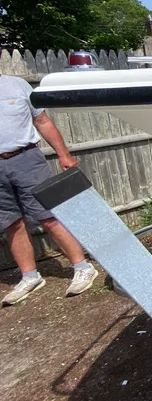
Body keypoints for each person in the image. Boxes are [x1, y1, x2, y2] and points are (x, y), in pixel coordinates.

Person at [1, 73, 98, 305]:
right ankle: (29, 276)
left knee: (48, 216)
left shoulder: (17, 85)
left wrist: (63, 155)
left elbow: (42, 121)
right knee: (10, 223)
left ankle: (82, 267)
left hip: (25, 159)